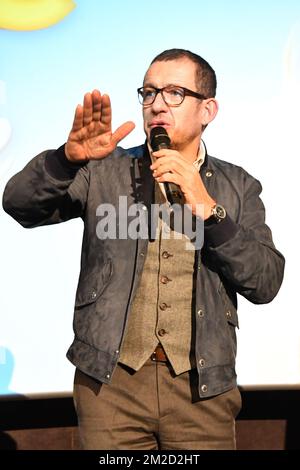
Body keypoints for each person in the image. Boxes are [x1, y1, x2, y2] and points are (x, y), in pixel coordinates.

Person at [2, 48, 284, 450]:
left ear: (208, 110)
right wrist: (66, 161)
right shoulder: (103, 169)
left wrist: (210, 211)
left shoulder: (239, 187)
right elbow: (20, 204)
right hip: (110, 388)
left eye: (173, 93)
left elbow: (266, 282)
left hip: (201, 390)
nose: (156, 105)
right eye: (149, 93)